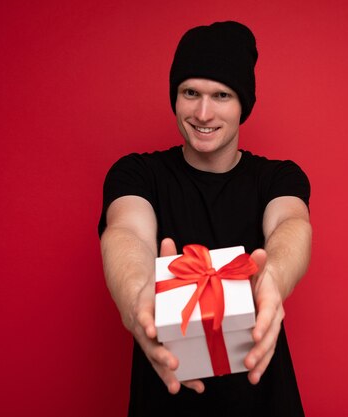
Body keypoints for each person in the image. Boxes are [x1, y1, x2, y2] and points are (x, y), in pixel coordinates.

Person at [98, 21, 312, 416]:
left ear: (243, 104)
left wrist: (273, 280)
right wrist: (136, 298)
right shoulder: (137, 174)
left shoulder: (278, 177)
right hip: (165, 393)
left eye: (221, 95)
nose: (202, 112)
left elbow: (291, 226)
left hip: (261, 397)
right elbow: (125, 232)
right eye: (190, 92)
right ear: (175, 96)